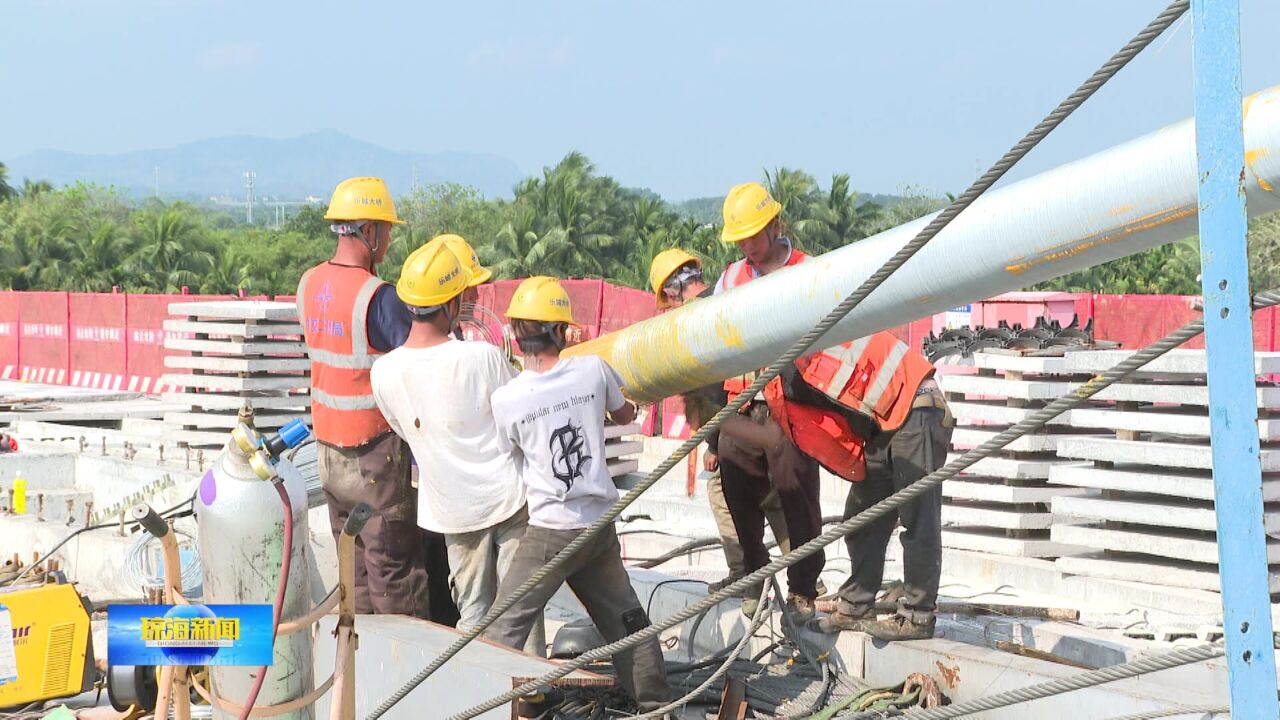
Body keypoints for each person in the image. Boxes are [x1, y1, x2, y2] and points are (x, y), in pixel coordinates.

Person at [718, 181, 954, 641]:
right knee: (862, 516)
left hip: (915, 408)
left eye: (753, 235)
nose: (746, 247)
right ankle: (856, 603)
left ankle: (918, 614)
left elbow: (846, 395)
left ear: (775, 226)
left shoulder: (815, 318)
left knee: (916, 518)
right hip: (881, 424)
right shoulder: (785, 369)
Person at [485, 277, 671, 711]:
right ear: (563, 331)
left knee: (502, 628)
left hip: (550, 530)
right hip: (598, 527)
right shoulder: (592, 369)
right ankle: (656, 705)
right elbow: (626, 412)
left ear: (516, 334)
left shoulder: (508, 399)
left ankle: (495, 706)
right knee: (626, 619)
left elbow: (508, 451)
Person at [369, 237, 543, 654]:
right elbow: (518, 415)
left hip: (452, 510)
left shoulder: (384, 372)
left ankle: (479, 695)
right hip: (508, 500)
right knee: (521, 606)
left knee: (473, 614)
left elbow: (404, 429)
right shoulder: (480, 358)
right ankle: (533, 699)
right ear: (450, 304)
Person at [296, 176, 429, 618]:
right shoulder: (378, 297)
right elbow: (418, 360)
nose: (388, 241)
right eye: (386, 231)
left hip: (328, 457)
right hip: (374, 459)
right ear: (368, 231)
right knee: (394, 572)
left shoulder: (309, 283)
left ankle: (360, 676)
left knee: (352, 571)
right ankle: (407, 678)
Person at [648, 248, 792, 594]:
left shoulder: (693, 320)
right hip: (768, 411)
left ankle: (745, 575)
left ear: (670, 290)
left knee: (728, 492)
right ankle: (802, 580)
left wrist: (713, 444)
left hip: (739, 420)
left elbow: (710, 390)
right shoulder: (724, 298)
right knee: (773, 496)